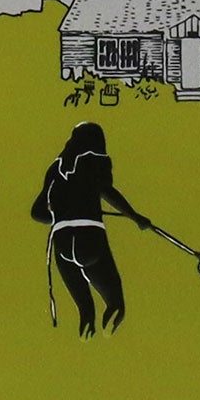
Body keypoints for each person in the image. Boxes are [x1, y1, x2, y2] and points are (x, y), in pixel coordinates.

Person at [29, 122, 152, 336]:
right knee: (115, 303)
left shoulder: (55, 168)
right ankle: (111, 330)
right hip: (89, 236)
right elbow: (106, 191)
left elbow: (37, 213)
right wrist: (135, 217)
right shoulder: (96, 160)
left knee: (85, 308)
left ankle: (87, 326)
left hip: (62, 240)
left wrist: (59, 215)